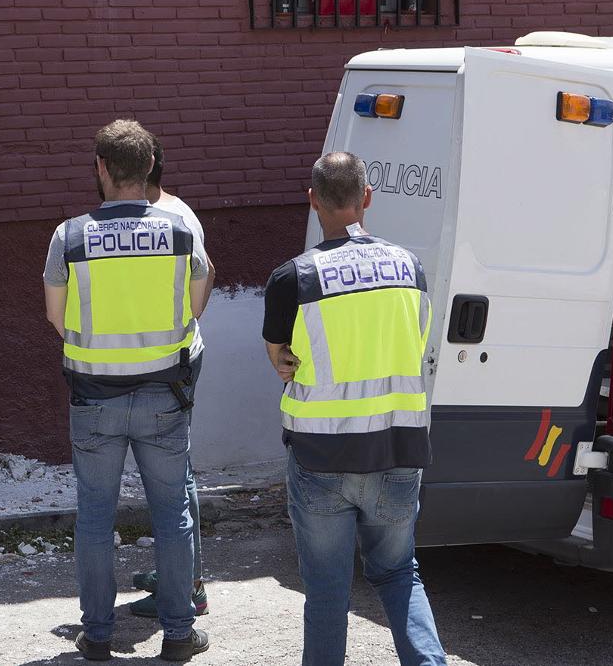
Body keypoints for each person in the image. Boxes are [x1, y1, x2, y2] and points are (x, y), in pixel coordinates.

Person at [261, 151, 446, 666]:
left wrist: (289, 362)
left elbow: (280, 356)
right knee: (398, 573)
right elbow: (416, 343)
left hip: (321, 458)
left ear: (313, 200)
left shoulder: (293, 277)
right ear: (367, 198)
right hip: (397, 451)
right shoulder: (410, 269)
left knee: (326, 592)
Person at [43, 120, 211, 662]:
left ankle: (95, 636)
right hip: (165, 397)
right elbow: (196, 302)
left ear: (102, 168)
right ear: (147, 170)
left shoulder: (69, 235)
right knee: (172, 515)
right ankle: (179, 635)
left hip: (94, 399)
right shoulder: (180, 230)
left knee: (94, 517)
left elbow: (57, 317)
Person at [128, 139, 215, 620]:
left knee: (176, 477)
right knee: (173, 474)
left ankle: (188, 585)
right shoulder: (167, 214)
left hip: (169, 362)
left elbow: (200, 285)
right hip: (169, 357)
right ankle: (178, 574)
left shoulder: (169, 218)